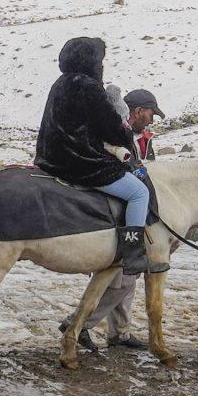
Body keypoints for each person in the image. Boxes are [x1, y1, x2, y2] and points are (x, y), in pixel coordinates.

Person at [35, 36, 157, 276]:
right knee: (139, 192)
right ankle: (133, 253)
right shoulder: (89, 87)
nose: (102, 66)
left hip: (50, 159)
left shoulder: (59, 84)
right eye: (100, 61)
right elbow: (111, 129)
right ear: (90, 61)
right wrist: (124, 132)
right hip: (80, 162)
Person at [74, 87, 165, 350]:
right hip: (114, 215)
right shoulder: (115, 130)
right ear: (138, 111)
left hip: (127, 213)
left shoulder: (138, 138)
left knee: (128, 278)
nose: (151, 120)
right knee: (119, 280)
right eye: (150, 114)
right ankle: (79, 325)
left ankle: (120, 333)